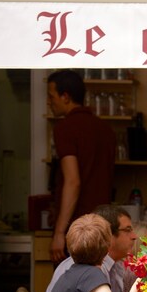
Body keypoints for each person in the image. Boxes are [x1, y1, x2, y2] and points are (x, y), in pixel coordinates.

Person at [46, 69, 116, 263]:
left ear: (65, 96)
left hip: (77, 230)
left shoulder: (65, 128)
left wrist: (60, 233)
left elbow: (72, 181)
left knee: (69, 289)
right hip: (102, 227)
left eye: (51, 96)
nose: (48, 102)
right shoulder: (106, 129)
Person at [42, 204, 138, 292]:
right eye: (127, 230)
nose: (134, 236)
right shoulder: (84, 265)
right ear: (108, 234)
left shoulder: (117, 265)